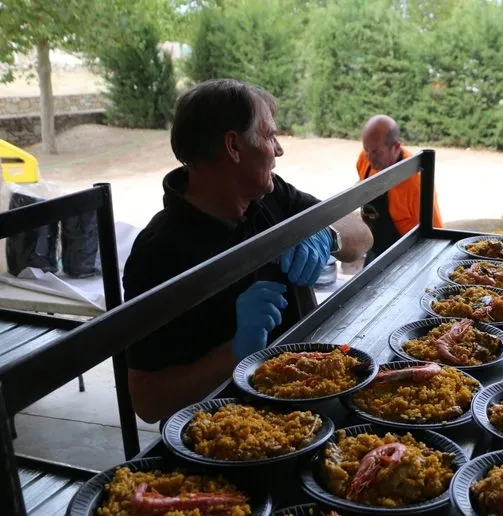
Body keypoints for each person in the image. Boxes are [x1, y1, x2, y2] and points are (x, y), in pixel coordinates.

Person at [123, 79, 373, 423]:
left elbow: (362, 233)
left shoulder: (270, 196)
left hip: (313, 394)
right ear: (234, 146)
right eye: (269, 136)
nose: (279, 150)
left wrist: (328, 236)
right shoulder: (158, 252)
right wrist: (235, 352)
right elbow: (148, 403)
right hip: (231, 428)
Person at [357, 115, 443, 263]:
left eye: (376, 152)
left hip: (407, 257)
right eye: (366, 149)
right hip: (375, 249)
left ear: (396, 147)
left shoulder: (415, 182)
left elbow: (435, 235)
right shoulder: (364, 160)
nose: (369, 157)